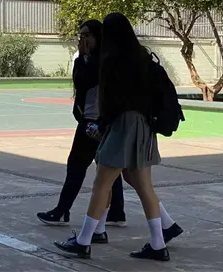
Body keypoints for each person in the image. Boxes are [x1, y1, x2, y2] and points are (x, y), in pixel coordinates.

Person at [54, 13, 183, 262]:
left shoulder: (113, 61)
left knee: (101, 184)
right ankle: (158, 244)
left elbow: (111, 102)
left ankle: (83, 241)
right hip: (145, 127)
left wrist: (101, 128)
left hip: (123, 125)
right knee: (143, 185)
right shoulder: (143, 57)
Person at [37, 20, 127, 230]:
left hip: (94, 121)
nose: (83, 39)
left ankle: (62, 210)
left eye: (87, 35)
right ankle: (116, 212)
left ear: (98, 36)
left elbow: (84, 81)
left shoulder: (101, 61)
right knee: (108, 168)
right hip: (95, 119)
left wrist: (82, 57)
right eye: (81, 35)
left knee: (77, 166)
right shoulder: (97, 59)